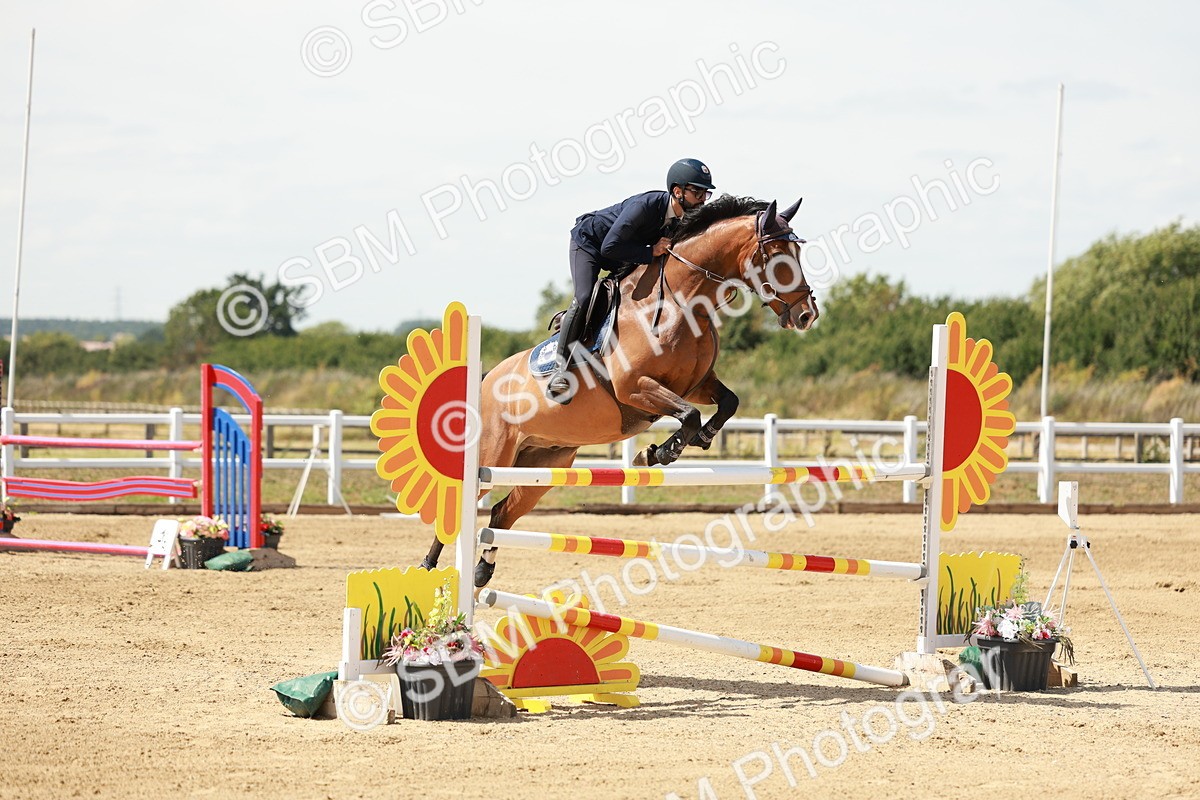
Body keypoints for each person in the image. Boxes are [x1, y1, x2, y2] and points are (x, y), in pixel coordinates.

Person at [546, 157, 716, 402]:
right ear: (677, 191)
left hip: (623, 251)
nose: (702, 199)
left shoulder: (680, 222)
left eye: (705, 194)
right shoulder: (645, 206)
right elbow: (609, 247)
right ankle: (560, 370)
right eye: (697, 192)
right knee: (584, 296)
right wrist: (650, 251)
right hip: (591, 243)